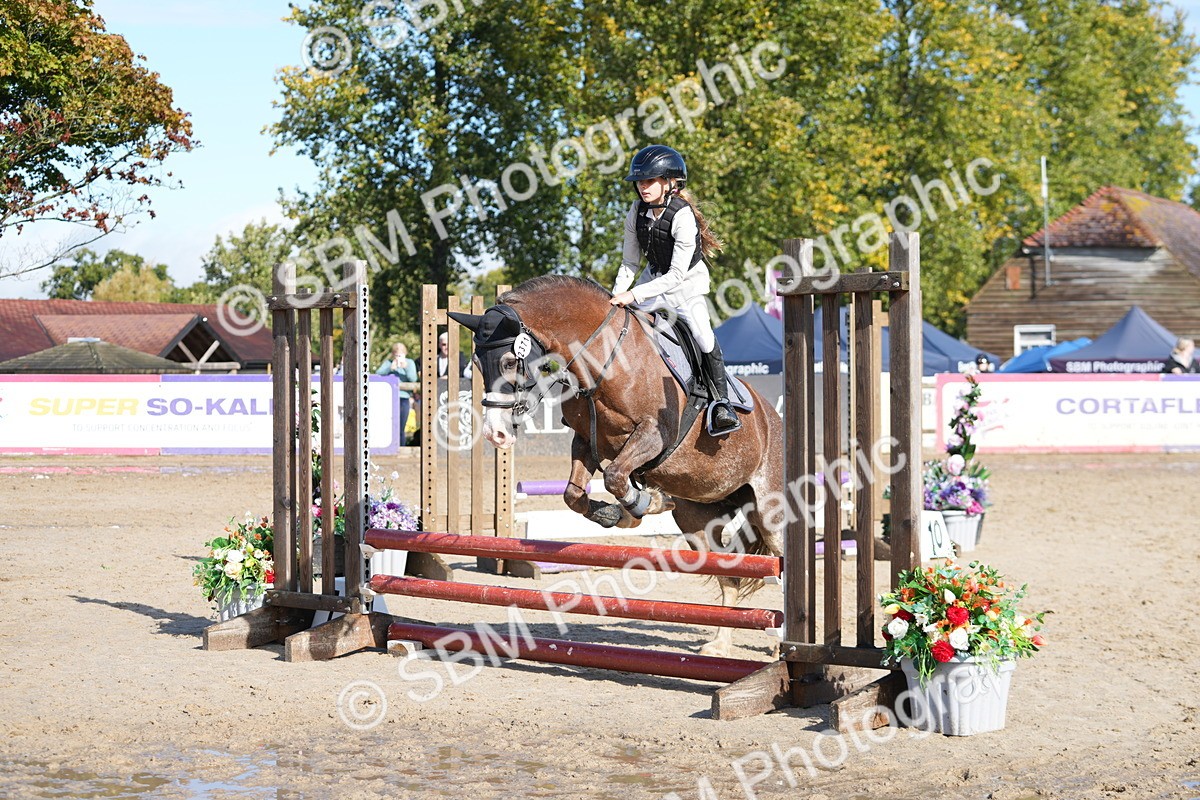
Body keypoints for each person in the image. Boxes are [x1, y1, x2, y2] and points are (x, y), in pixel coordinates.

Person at [609, 144, 740, 435]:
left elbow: (677, 275)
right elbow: (630, 262)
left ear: (669, 183)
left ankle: (722, 404)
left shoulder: (683, 217)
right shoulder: (636, 211)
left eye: (649, 181)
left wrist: (633, 295)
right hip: (651, 279)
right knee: (618, 325)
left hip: (685, 286)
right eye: (640, 182)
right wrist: (616, 296)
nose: (643, 187)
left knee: (703, 336)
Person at [377, 342, 419, 445]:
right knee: (389, 426)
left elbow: (413, 379)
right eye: (396, 355)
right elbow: (378, 373)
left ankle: (401, 447)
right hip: (389, 398)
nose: (398, 357)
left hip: (403, 398)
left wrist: (405, 367)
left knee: (401, 426)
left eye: (400, 355)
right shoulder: (389, 362)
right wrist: (390, 368)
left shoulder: (410, 363)